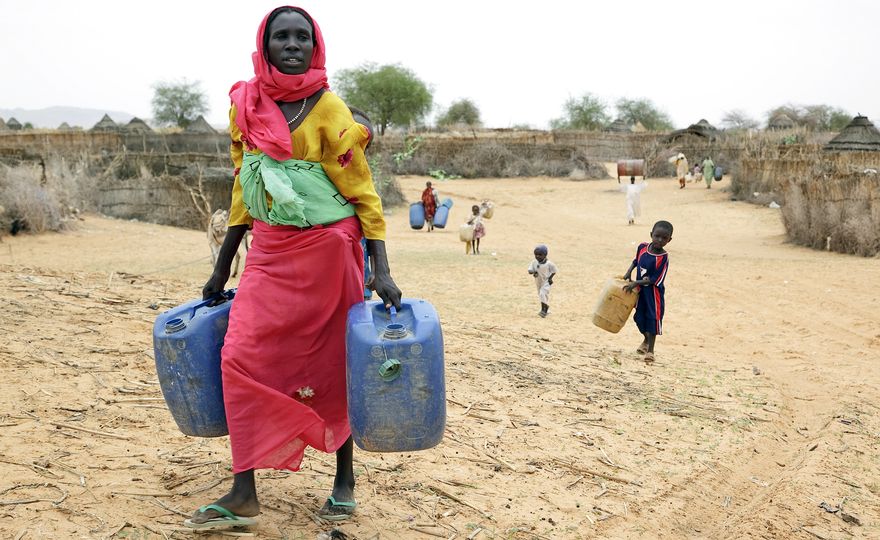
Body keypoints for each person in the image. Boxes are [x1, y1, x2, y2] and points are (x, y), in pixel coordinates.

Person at [185, 6, 402, 531]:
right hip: (268, 253)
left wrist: (383, 269)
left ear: (316, 46)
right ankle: (244, 491)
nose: (292, 44)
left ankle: (344, 480)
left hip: (329, 255)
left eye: (302, 37)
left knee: (333, 366)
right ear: (264, 45)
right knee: (239, 355)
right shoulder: (246, 107)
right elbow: (244, 188)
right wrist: (221, 269)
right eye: (281, 36)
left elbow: (363, 194)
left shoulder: (330, 110)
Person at [622, 221, 672, 364]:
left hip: (653, 293)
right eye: (657, 236)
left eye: (664, 238)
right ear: (651, 235)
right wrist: (628, 272)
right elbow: (636, 261)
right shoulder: (643, 247)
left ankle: (650, 351)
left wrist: (635, 283)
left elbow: (655, 279)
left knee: (652, 319)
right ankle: (646, 339)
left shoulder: (663, 257)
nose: (660, 240)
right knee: (638, 318)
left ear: (669, 240)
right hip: (639, 291)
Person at [527, 244, 557, 318]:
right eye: (536, 255)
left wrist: (550, 279)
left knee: (542, 293)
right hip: (538, 281)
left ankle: (544, 310)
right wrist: (532, 272)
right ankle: (545, 308)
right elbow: (530, 269)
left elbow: (554, 271)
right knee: (541, 294)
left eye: (540, 255)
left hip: (546, 281)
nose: (537, 256)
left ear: (545, 255)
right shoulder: (534, 262)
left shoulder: (549, 264)